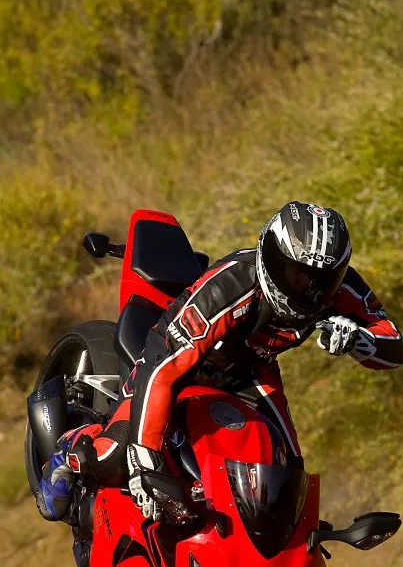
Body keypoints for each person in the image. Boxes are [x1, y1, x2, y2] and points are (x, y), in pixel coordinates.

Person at [37, 201, 403, 521]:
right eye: (296, 274)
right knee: (117, 459)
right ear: (269, 255)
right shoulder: (229, 288)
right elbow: (163, 370)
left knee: (287, 478)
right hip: (176, 361)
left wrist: (361, 340)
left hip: (251, 371)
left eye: (322, 280)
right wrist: (144, 460)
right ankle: (67, 452)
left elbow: (393, 343)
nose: (307, 288)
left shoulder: (340, 287)